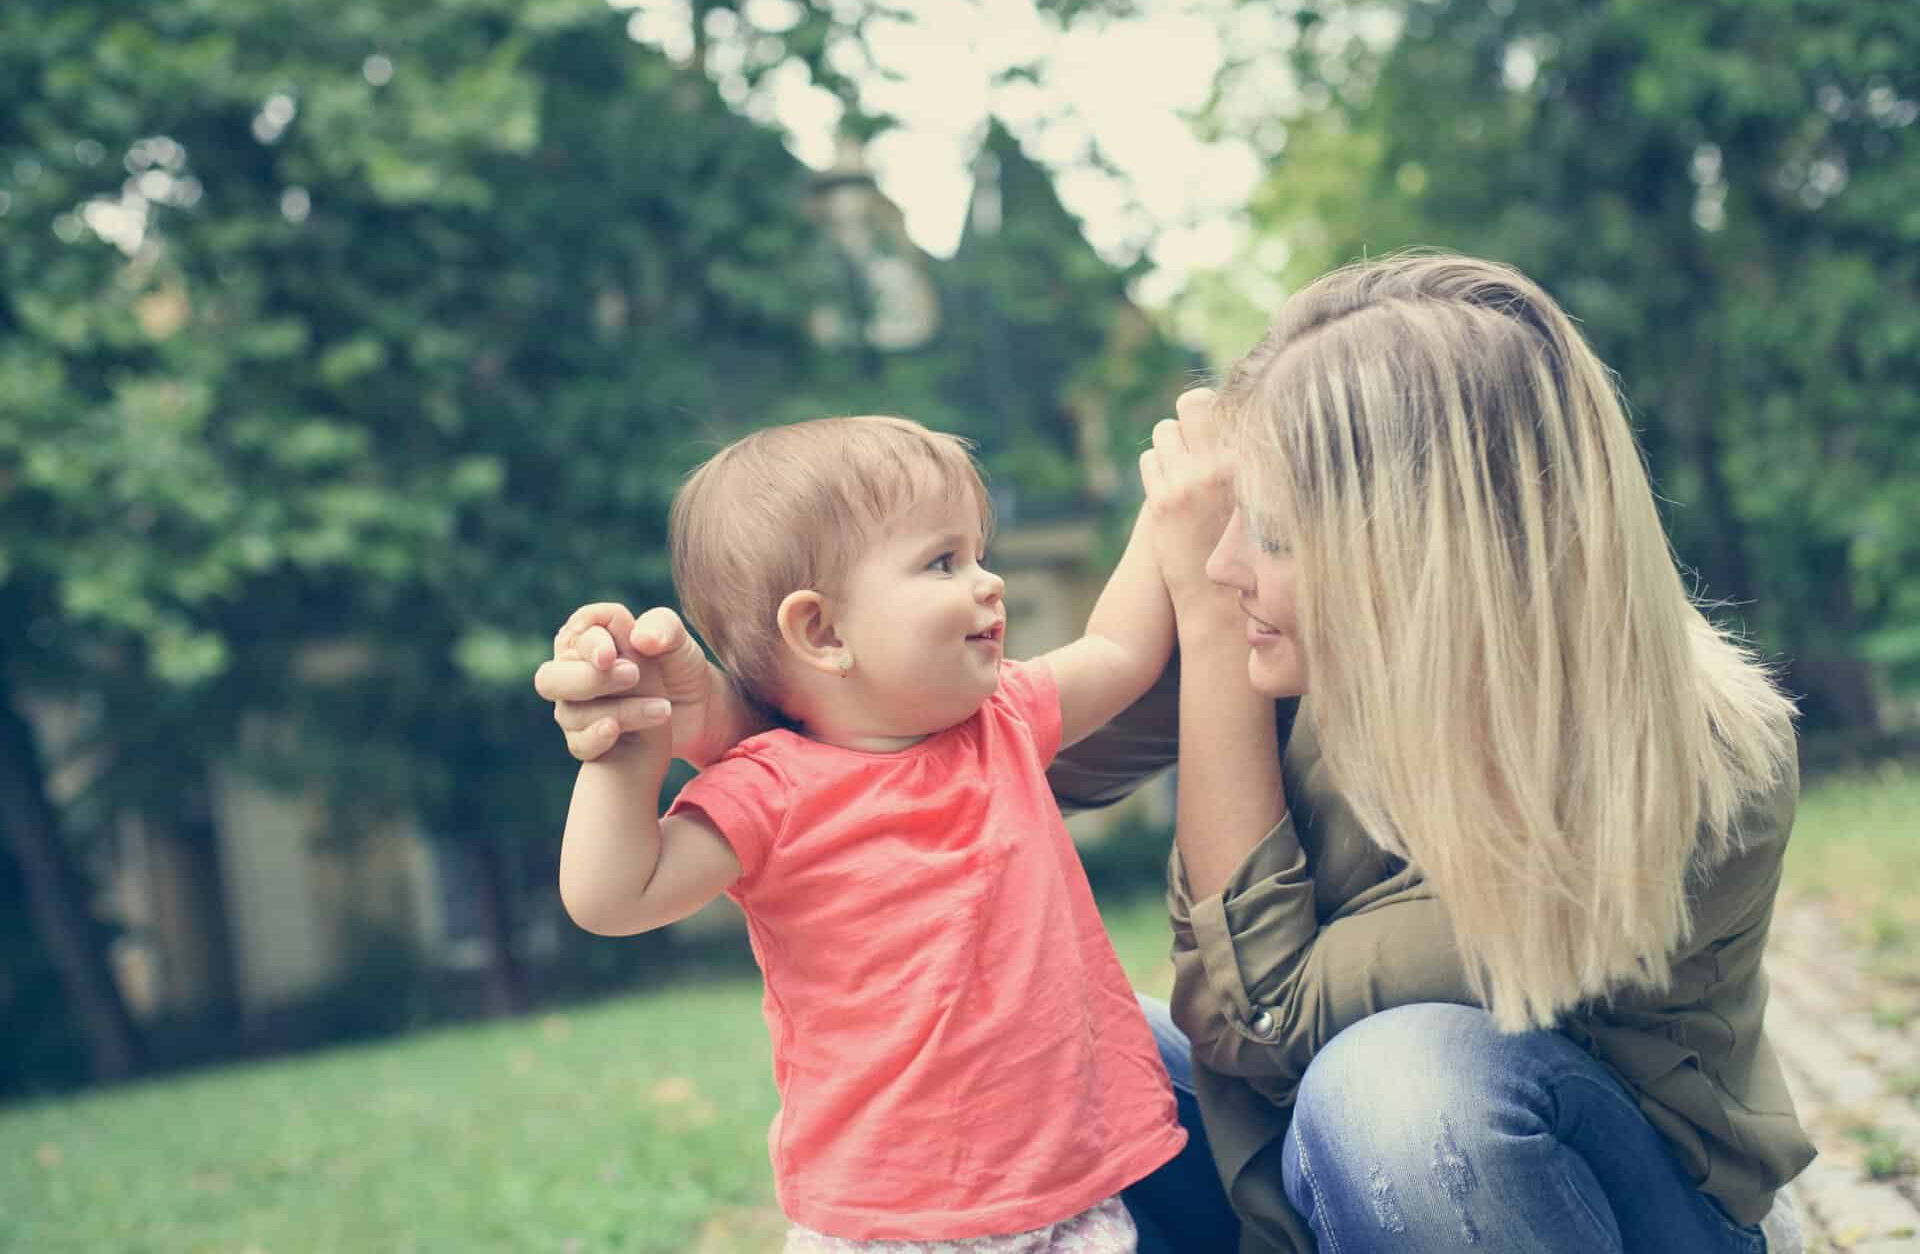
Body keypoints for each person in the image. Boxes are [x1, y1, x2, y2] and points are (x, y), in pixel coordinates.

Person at [539, 252, 1815, 1253]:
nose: (1213, 569)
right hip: (1300, 1184)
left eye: (1268, 533)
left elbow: (1269, 1022)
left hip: (1581, 1205)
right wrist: (712, 718)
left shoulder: (1690, 765)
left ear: (1411, 556)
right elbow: (924, 766)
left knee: (1400, 1093)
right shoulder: (1295, 639)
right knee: (1065, 1041)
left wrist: (1207, 635)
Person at [549, 415, 1193, 1253]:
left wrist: (1170, 499)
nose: (989, 583)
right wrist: (628, 754)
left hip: (1067, 1200)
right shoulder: (774, 787)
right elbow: (611, 897)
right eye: (942, 562)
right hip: (891, 1224)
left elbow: (1120, 649)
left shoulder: (1001, 723)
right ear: (822, 632)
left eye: (979, 553)